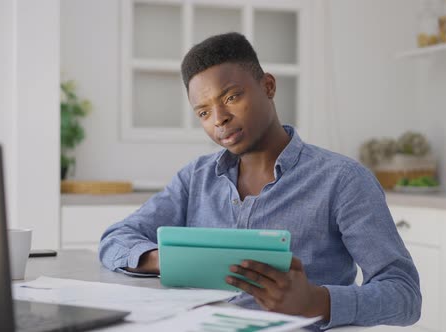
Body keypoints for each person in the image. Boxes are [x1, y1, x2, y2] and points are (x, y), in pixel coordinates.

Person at [99, 32, 421, 330]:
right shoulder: (195, 178)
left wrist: (316, 302)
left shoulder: (343, 181)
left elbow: (404, 294)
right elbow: (116, 239)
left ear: (268, 86)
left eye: (231, 97)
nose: (219, 119)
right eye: (203, 113)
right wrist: (168, 260)